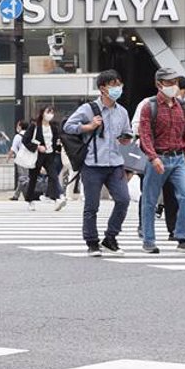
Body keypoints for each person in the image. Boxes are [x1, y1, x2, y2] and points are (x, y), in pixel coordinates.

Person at [65, 71, 135, 255]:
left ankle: (110, 238)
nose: (118, 88)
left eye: (119, 84)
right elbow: (67, 126)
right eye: (113, 84)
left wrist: (127, 138)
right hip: (92, 164)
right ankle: (92, 242)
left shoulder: (122, 111)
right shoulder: (88, 109)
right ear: (103, 88)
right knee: (91, 206)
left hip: (115, 163)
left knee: (123, 200)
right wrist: (87, 127)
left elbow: (127, 132)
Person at [136, 70, 185, 255]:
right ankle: (149, 240)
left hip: (179, 157)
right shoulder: (149, 106)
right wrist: (153, 156)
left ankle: (182, 238)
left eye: (175, 81)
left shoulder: (181, 105)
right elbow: (145, 134)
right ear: (159, 84)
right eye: (169, 82)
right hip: (159, 157)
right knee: (150, 200)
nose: (173, 85)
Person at [21, 106, 67, 212]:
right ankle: (30, 200)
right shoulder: (34, 126)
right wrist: (37, 147)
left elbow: (56, 140)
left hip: (49, 155)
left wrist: (58, 146)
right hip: (37, 155)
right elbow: (25, 140)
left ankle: (57, 199)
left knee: (53, 176)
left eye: (52, 112)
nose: (50, 114)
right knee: (33, 178)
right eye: (48, 112)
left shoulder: (53, 127)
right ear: (42, 113)